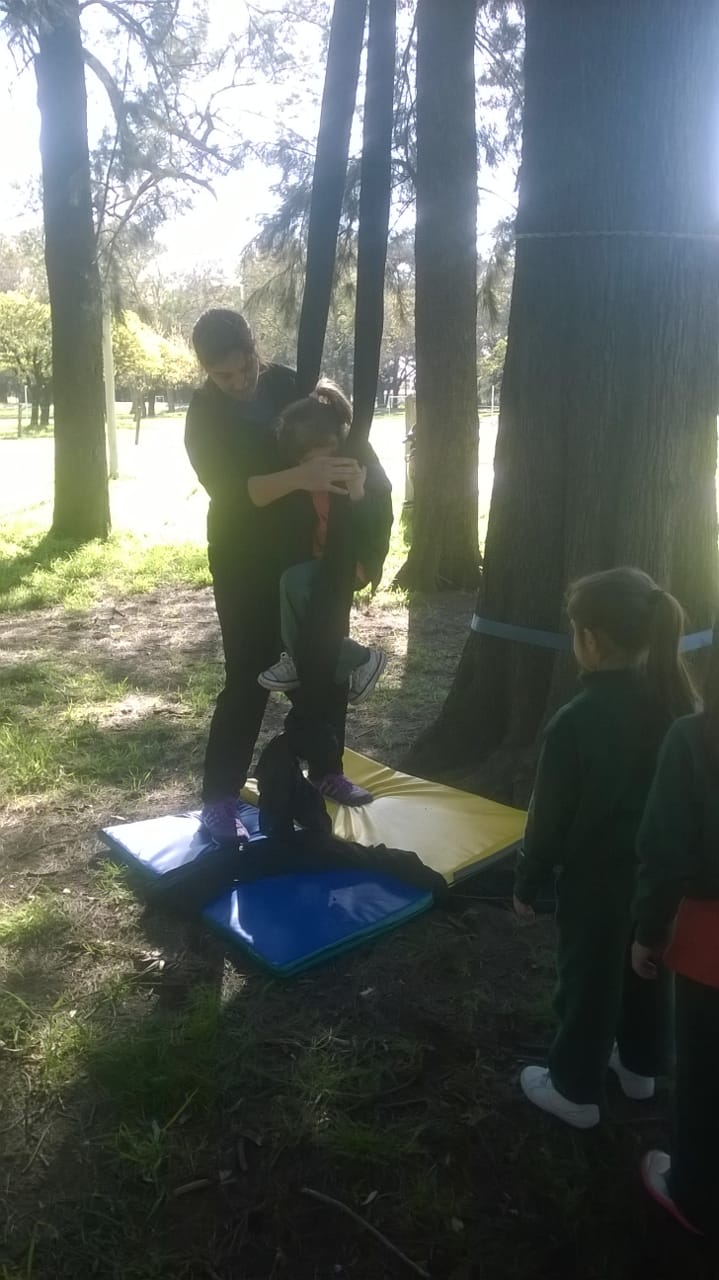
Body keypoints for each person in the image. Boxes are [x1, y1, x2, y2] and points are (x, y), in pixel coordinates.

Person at [185, 308, 390, 842]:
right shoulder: (204, 417)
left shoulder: (290, 384)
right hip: (244, 558)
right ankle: (220, 798)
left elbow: (345, 441)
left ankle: (326, 769)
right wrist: (302, 476)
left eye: (246, 367)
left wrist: (355, 499)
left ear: (256, 349)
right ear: (205, 369)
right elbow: (237, 493)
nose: (240, 381)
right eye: (224, 375)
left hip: (307, 553)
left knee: (322, 662)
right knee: (249, 673)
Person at [513, 567, 696, 1129]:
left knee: (588, 980)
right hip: (660, 882)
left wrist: (528, 882)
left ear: (590, 640)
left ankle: (574, 1089)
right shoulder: (677, 706)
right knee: (649, 967)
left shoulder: (574, 722)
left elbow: (548, 820)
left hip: (595, 883)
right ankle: (641, 1066)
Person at [632, 624, 719, 1236]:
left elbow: (664, 850)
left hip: (709, 944)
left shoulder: (693, 738)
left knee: (703, 1076)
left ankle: (694, 1193)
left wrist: (649, 929)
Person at [257, 382, 388, 707]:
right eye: (309, 465)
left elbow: (376, 527)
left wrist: (357, 491)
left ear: (337, 448)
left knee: (297, 584)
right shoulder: (302, 480)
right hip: (321, 560)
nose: (320, 471)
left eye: (326, 461)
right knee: (295, 590)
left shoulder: (361, 471)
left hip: (353, 561)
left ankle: (360, 658)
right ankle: (310, 657)